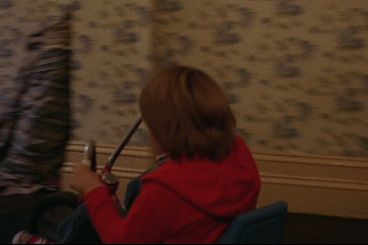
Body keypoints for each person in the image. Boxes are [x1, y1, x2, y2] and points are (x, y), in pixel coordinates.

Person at [14, 65, 261, 244]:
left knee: (89, 212)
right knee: (140, 183)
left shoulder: (166, 190)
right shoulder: (238, 152)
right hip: (202, 232)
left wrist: (93, 190)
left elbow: (119, 240)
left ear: (164, 131)